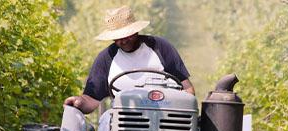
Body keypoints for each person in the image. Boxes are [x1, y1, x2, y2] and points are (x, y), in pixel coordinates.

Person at [64, 5, 195, 114]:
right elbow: (92, 99)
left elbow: (188, 89)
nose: (123, 40)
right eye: (118, 38)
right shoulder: (106, 58)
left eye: (127, 35)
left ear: (136, 31)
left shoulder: (160, 48)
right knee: (104, 123)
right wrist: (79, 102)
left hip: (164, 117)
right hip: (120, 119)